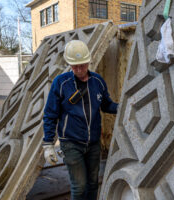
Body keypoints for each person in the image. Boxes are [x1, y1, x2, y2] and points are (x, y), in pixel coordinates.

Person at [42, 40, 118, 200]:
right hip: (71, 143)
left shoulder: (97, 81)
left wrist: (123, 106)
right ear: (69, 64)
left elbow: (107, 105)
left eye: (82, 65)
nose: (79, 69)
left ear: (88, 61)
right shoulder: (61, 83)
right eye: (74, 66)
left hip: (93, 143)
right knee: (79, 186)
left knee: (92, 183)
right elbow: (50, 114)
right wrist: (48, 144)